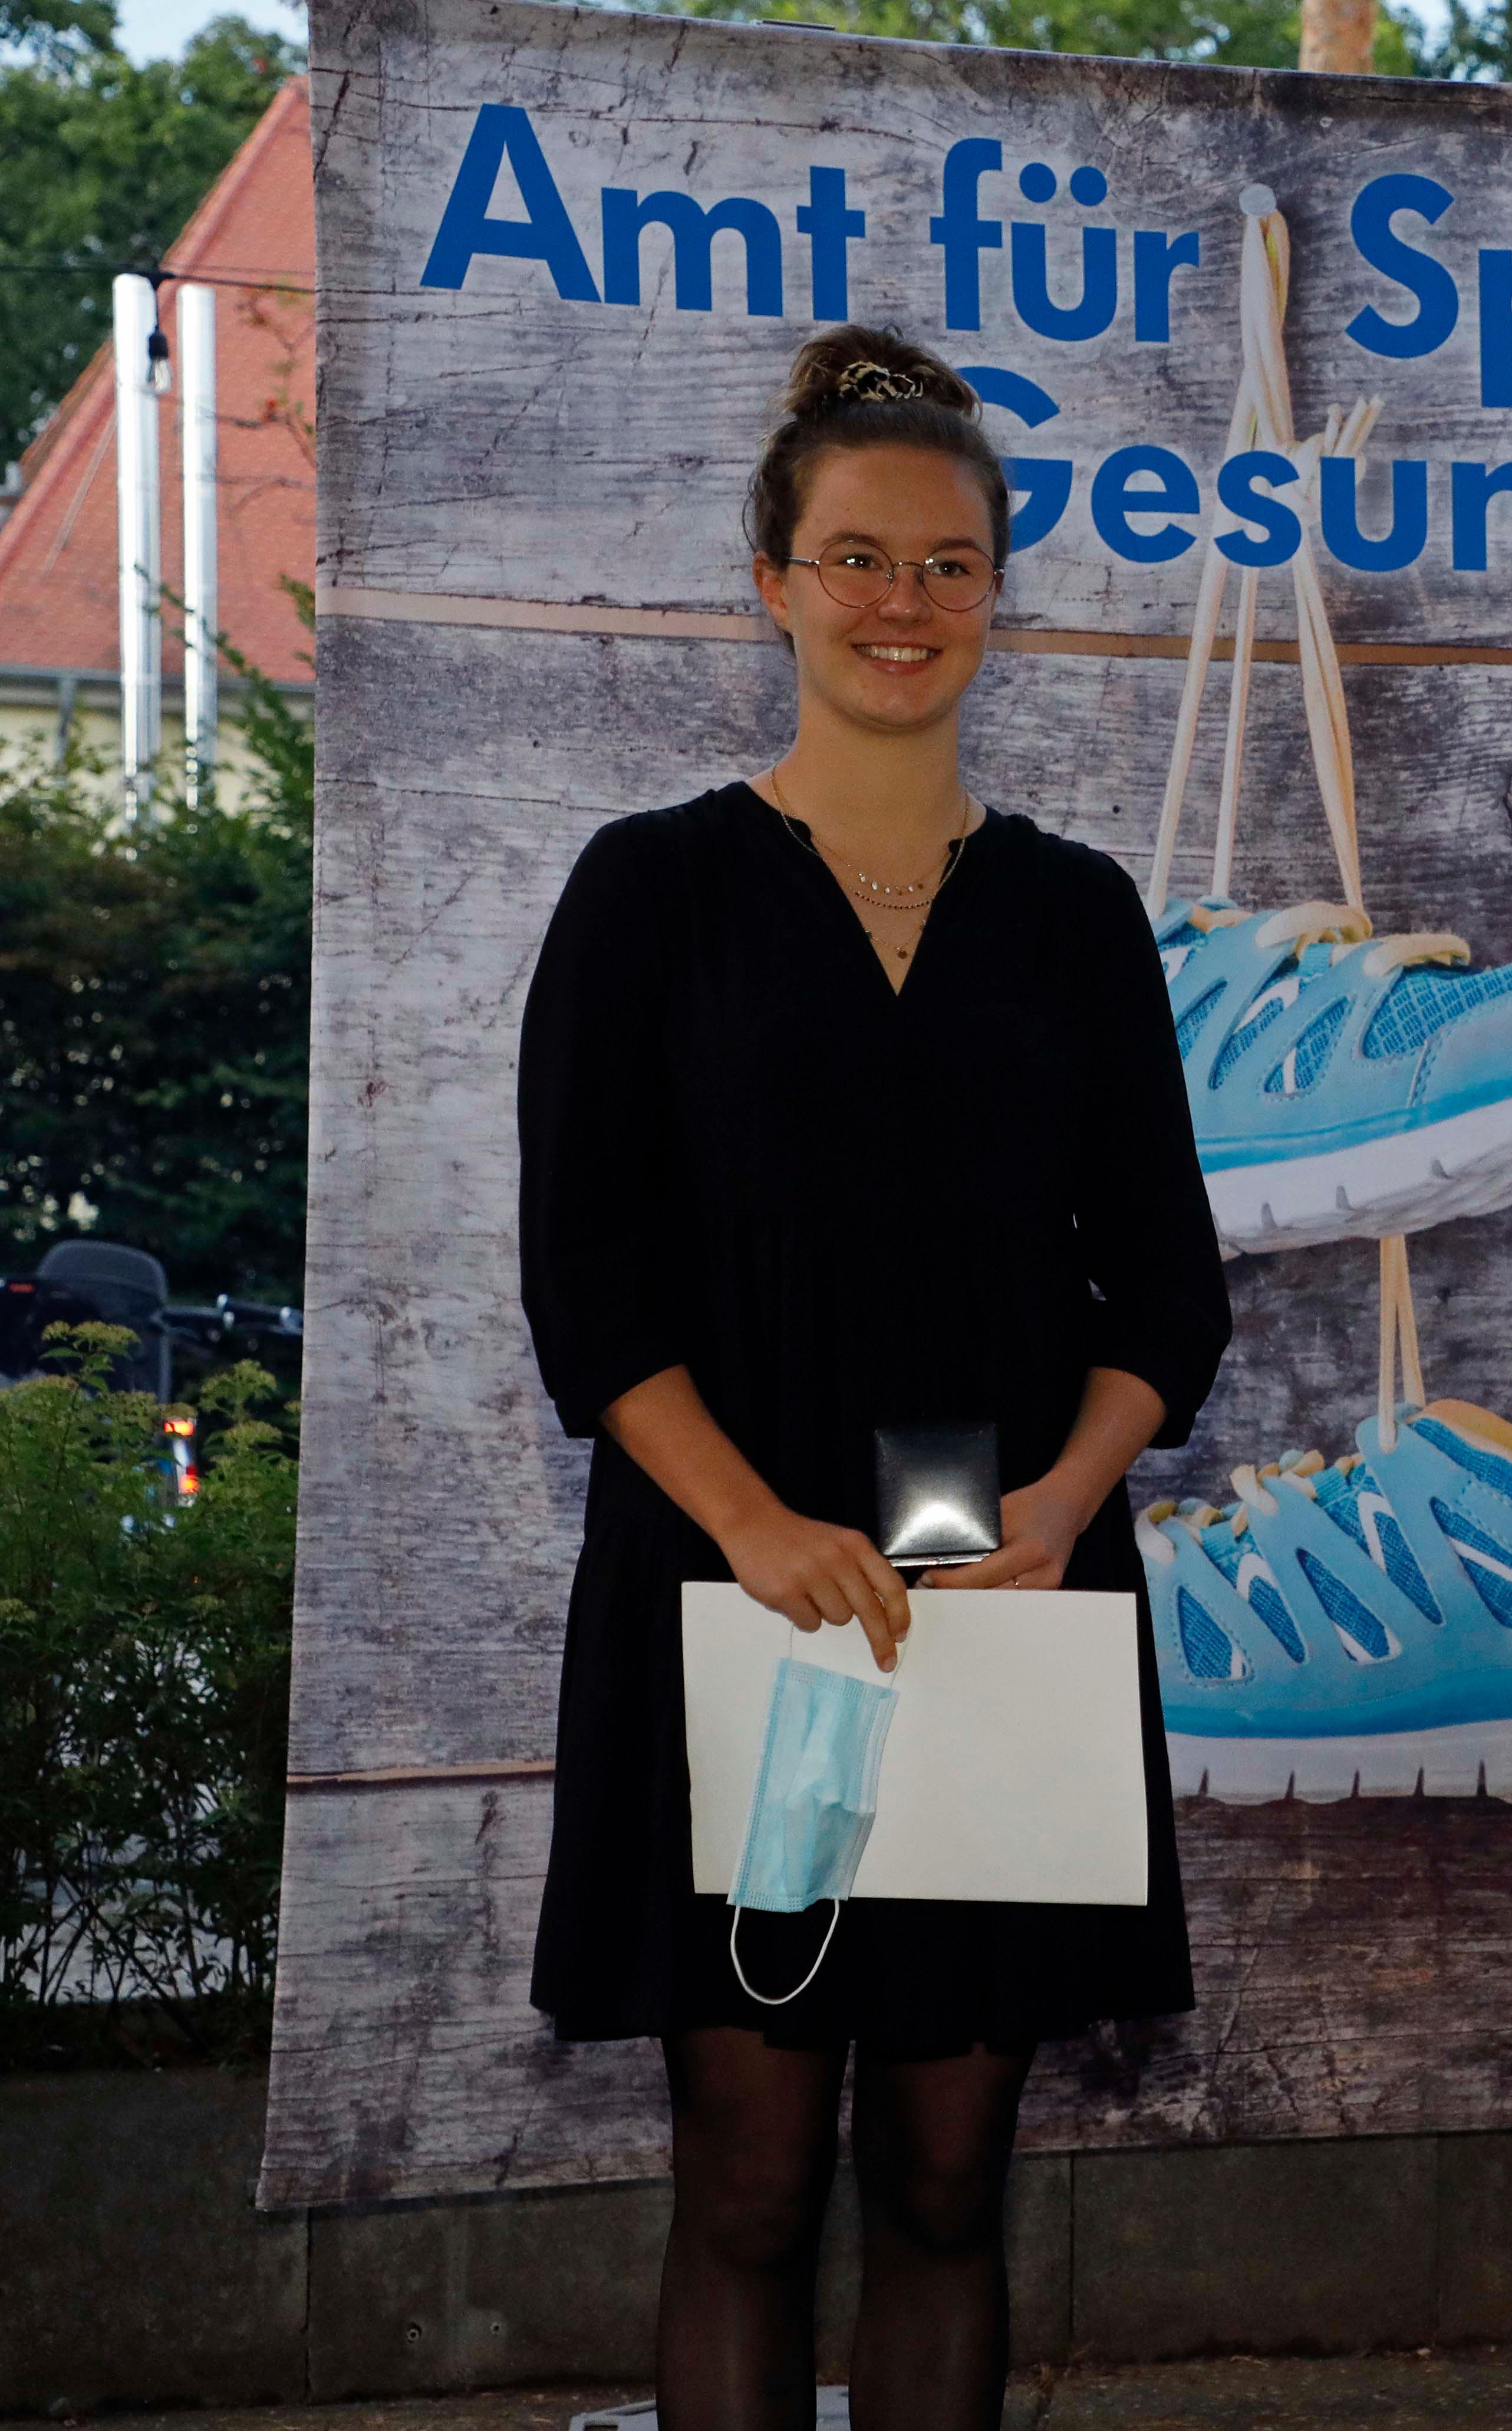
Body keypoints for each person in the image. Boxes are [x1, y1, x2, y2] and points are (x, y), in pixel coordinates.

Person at [516, 326, 1229, 2430]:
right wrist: (752, 1525)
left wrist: (1065, 1503)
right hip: (723, 1587)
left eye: (945, 563)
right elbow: (584, 1287)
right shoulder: (649, 890)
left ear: (999, 594)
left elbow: (1167, 1294)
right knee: (746, 2189)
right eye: (855, 558)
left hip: (1001, 1591)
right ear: (773, 582)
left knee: (945, 2182)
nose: (900, 601)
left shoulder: (1078, 915)